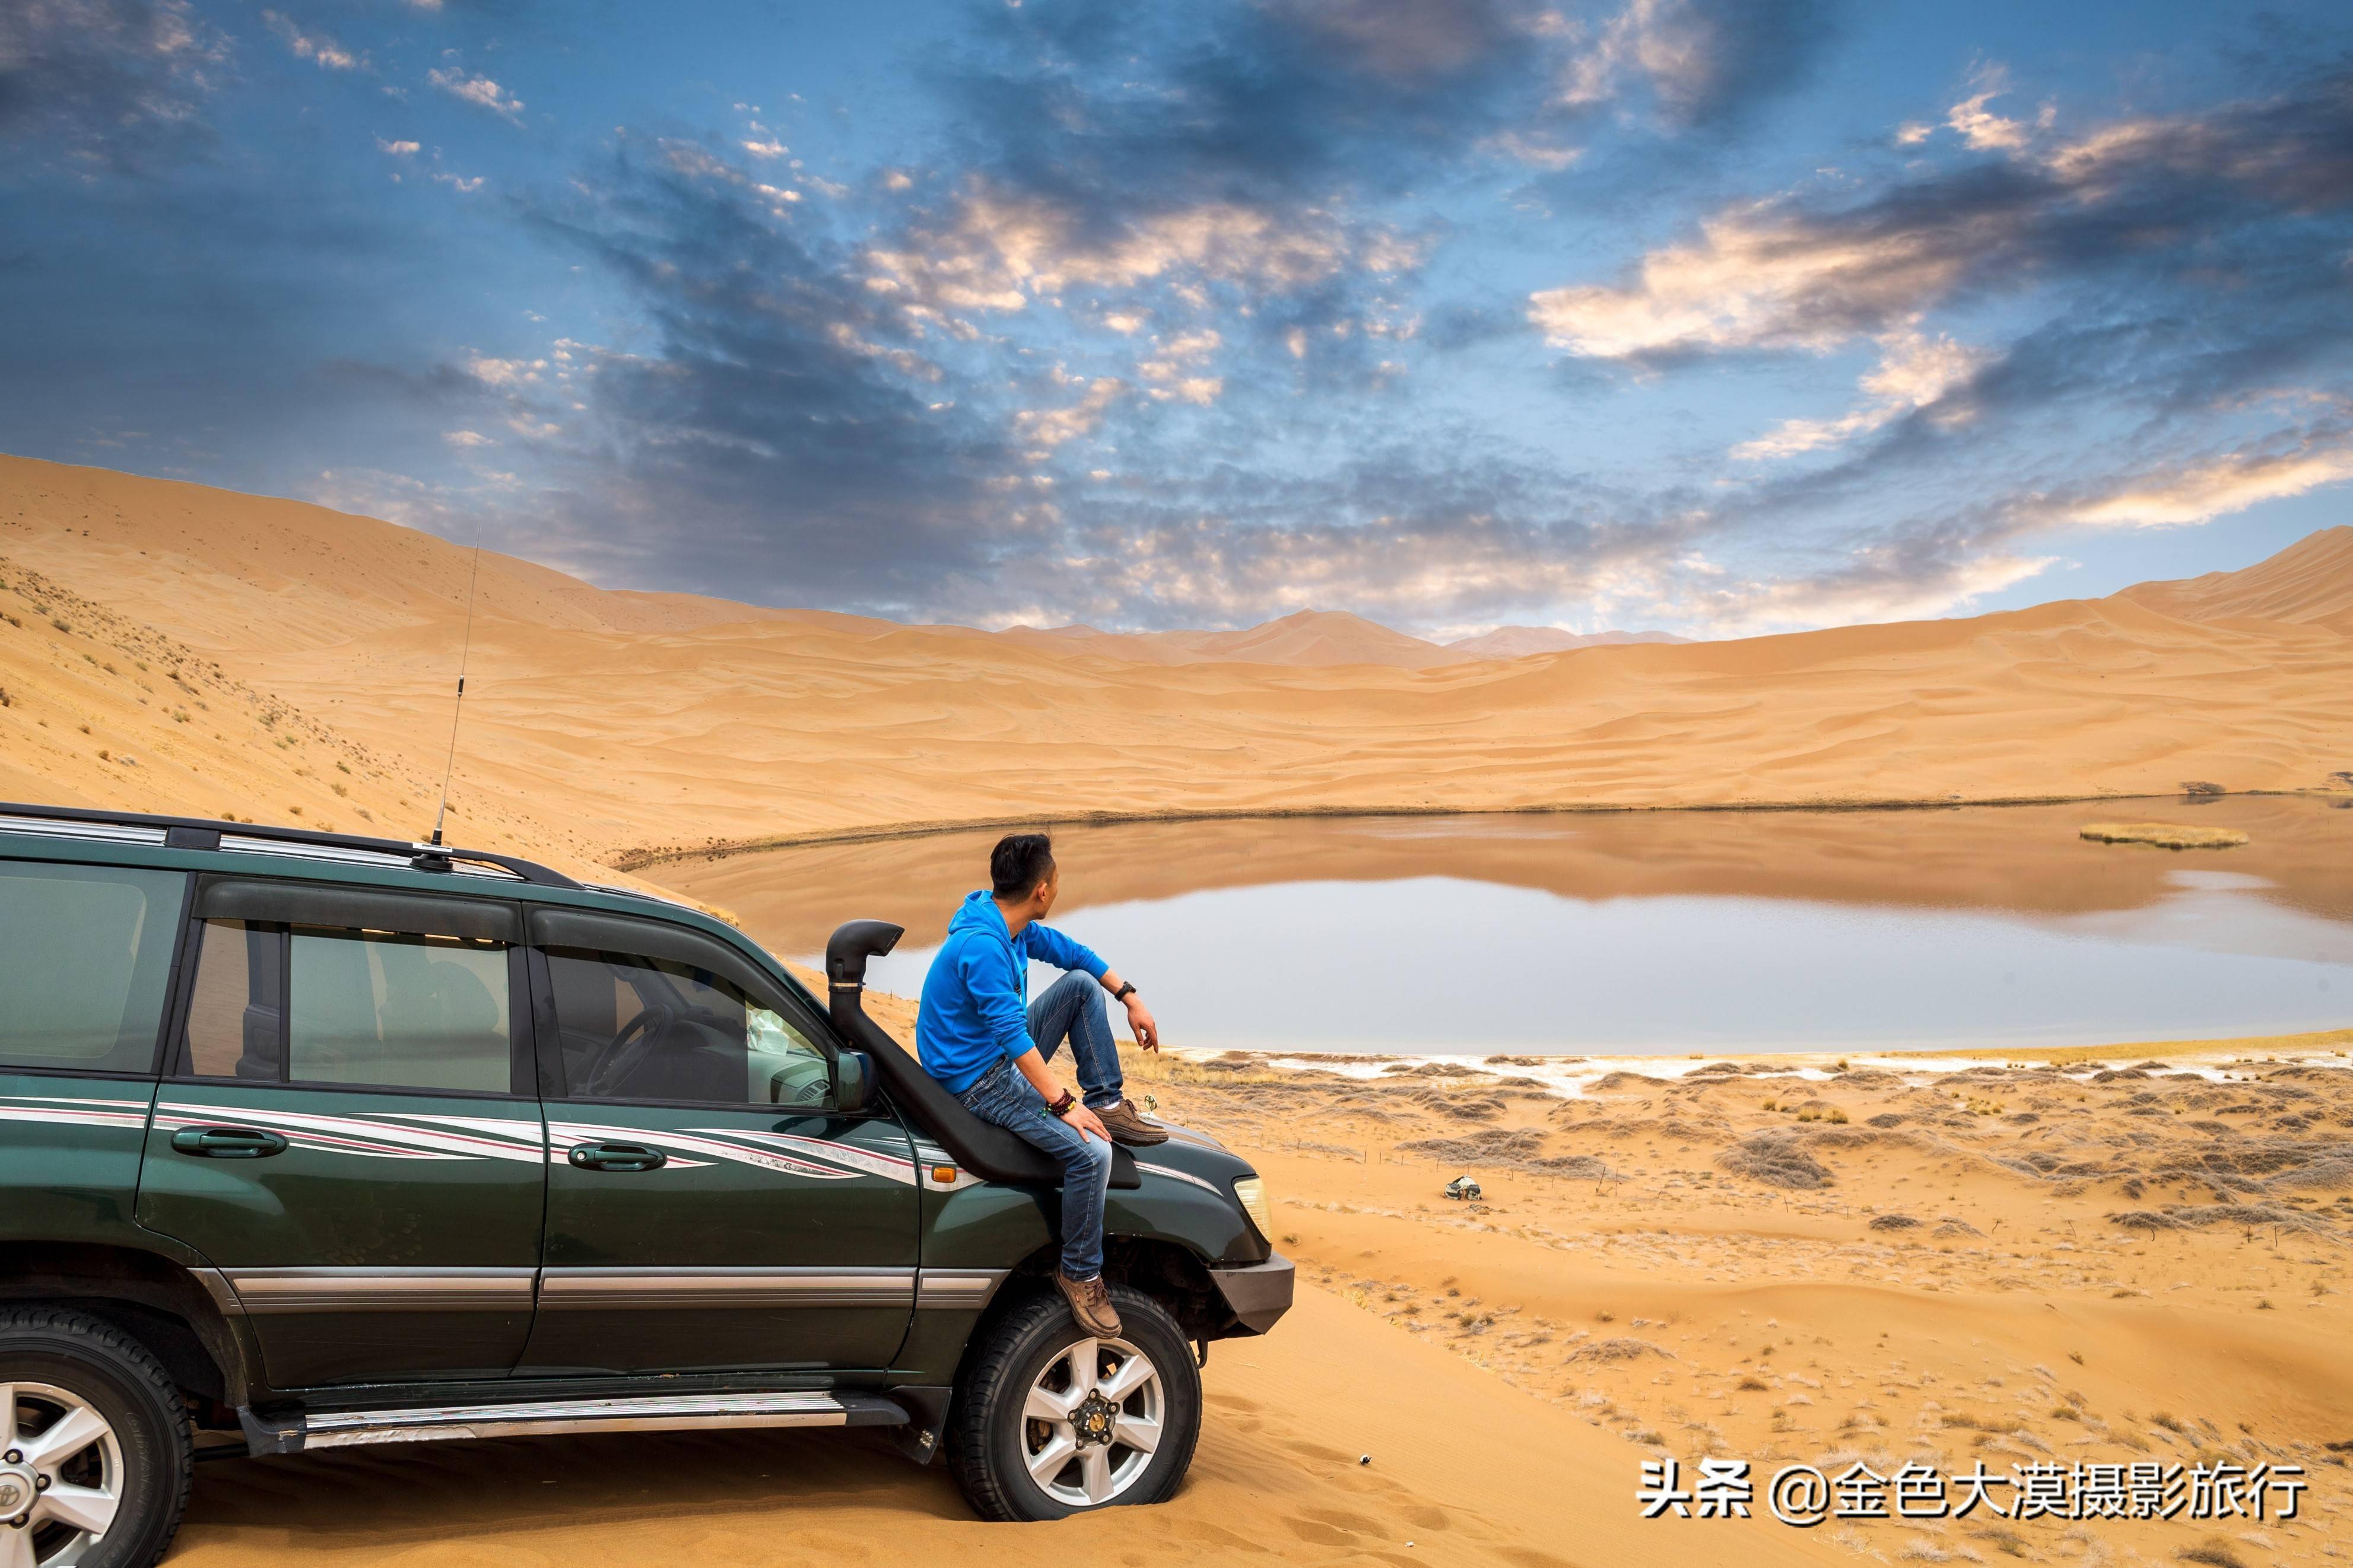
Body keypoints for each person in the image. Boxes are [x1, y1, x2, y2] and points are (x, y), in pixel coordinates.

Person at [916, 832, 1166, 1338]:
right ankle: (1079, 1273)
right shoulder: (984, 946)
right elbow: (1012, 1037)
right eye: (1056, 879)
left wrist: (1128, 995)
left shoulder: (1005, 921)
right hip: (976, 1080)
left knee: (1077, 986)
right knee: (1091, 1153)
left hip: (992, 1054)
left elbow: (1071, 953)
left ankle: (1109, 1100)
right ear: (1042, 891)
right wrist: (1062, 1103)